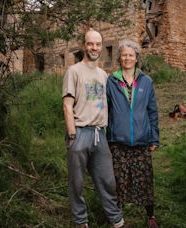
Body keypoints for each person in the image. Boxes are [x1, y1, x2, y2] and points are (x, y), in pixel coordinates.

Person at [62, 29, 124, 228]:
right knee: (77, 183)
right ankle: (81, 222)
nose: (95, 47)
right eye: (90, 44)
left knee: (108, 181)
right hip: (79, 132)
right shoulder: (73, 71)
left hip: (99, 134)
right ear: (84, 45)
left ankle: (116, 220)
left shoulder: (103, 75)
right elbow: (67, 105)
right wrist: (72, 135)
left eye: (98, 44)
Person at [106, 39, 159, 228]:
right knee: (118, 179)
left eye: (131, 55)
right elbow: (105, 109)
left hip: (141, 139)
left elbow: (152, 111)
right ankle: (117, 216)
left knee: (144, 178)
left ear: (137, 58)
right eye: (124, 55)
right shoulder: (111, 81)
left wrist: (154, 138)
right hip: (117, 141)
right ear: (119, 58)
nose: (127, 58)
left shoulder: (146, 81)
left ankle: (150, 215)